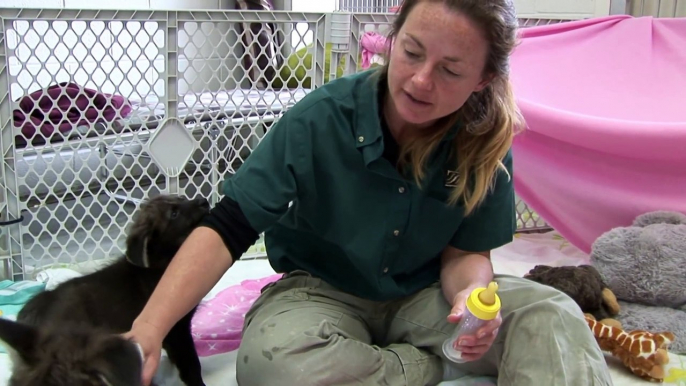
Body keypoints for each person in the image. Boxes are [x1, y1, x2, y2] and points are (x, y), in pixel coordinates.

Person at [125, 0, 614, 385]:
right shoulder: (320, 117)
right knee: (271, 364)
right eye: (412, 52)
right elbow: (229, 225)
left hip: (426, 297)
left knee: (551, 315)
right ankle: (429, 368)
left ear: (483, 78)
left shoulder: (483, 140)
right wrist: (150, 328)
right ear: (393, 38)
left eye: (450, 70)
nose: (421, 81)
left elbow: (466, 253)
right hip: (320, 293)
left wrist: (470, 295)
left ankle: (422, 357)